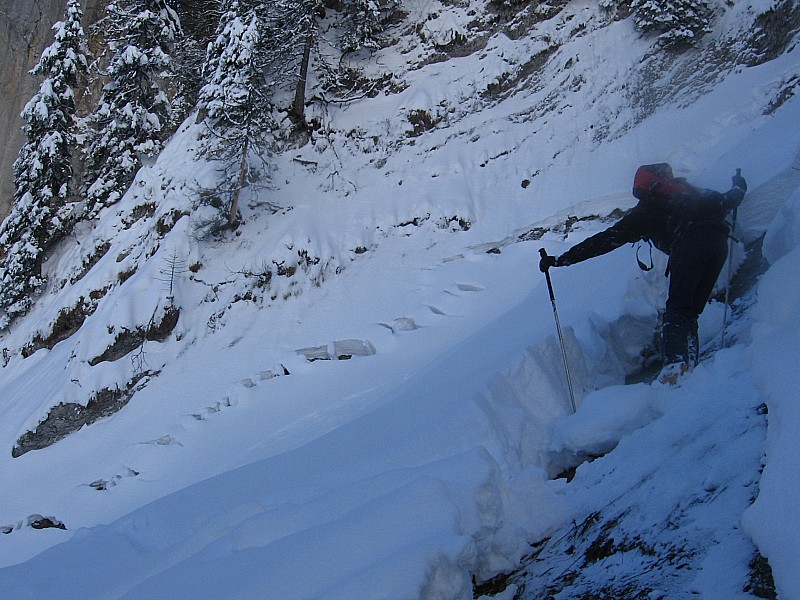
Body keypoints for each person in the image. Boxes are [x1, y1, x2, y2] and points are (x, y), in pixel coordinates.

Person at [540, 163, 747, 384]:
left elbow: (607, 240)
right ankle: (688, 369)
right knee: (688, 312)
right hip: (718, 245)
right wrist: (738, 185)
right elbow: (730, 199)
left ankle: (677, 372)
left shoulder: (649, 209)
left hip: (689, 246)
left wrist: (562, 260)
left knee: (678, 311)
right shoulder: (692, 194)